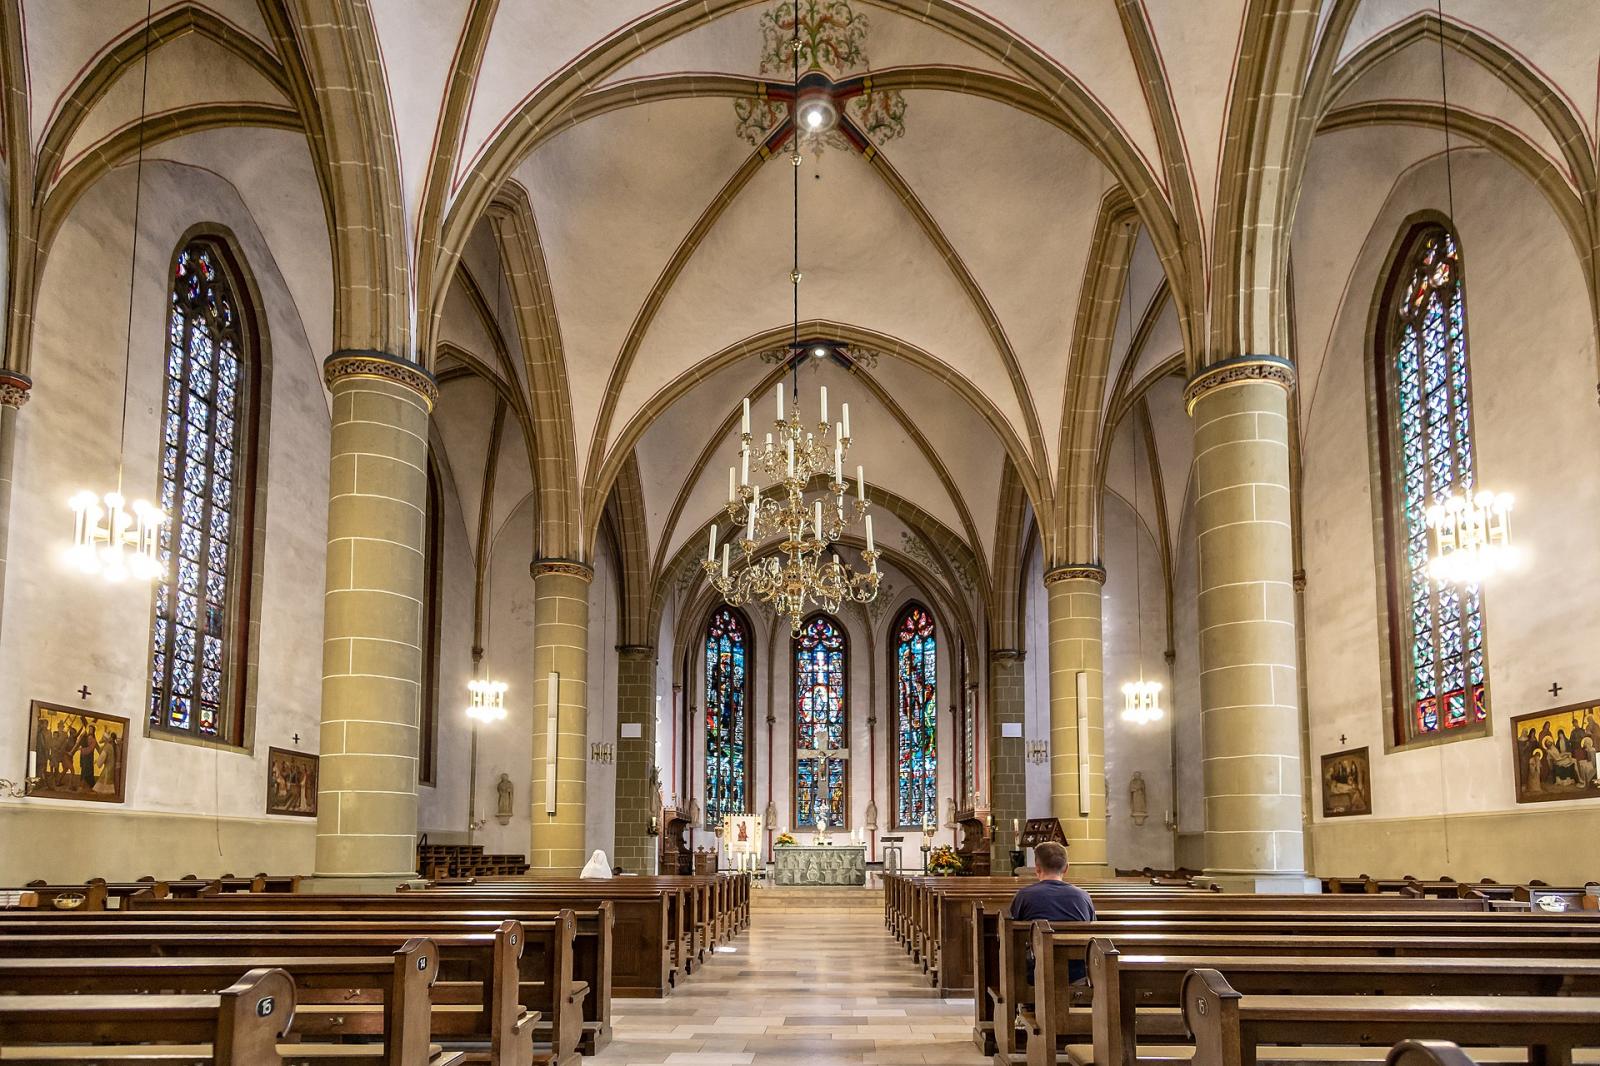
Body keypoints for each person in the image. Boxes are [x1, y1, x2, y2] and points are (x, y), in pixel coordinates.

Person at [1008, 840, 1095, 982]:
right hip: (1077, 971)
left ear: (1037, 868)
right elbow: (1093, 929)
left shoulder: (1024, 896)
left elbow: (1011, 933)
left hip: (1036, 969)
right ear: (1066, 868)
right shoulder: (1082, 896)